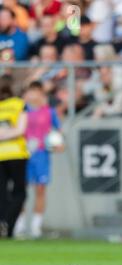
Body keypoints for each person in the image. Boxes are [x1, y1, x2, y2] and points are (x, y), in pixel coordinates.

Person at [13, 81, 63, 238]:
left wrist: (58, 144)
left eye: (37, 91)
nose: (33, 95)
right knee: (21, 189)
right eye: (31, 91)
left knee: (40, 189)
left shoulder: (49, 111)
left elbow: (58, 132)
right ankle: (18, 224)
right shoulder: (20, 110)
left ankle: (36, 226)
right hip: (23, 153)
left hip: (41, 154)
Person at [0, 74, 29, 238]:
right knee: (20, 192)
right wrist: (8, 134)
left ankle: (2, 222)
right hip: (16, 153)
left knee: (1, 193)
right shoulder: (19, 104)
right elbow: (20, 129)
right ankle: (8, 226)